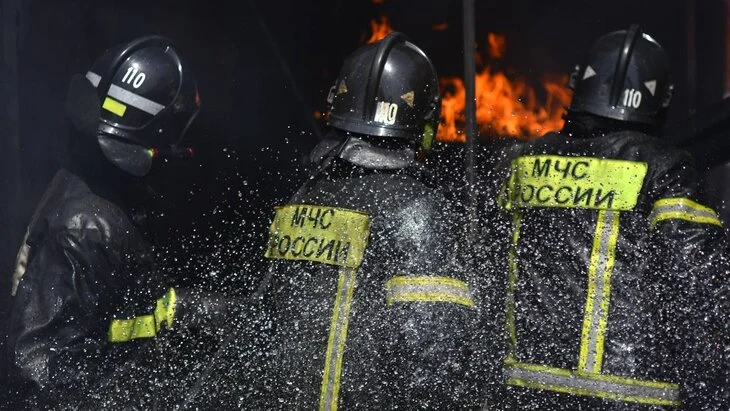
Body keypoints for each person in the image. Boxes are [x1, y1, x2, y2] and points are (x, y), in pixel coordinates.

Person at [483, 24, 730, 410]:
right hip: (631, 397)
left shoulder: (520, 162)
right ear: (660, 101)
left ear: (578, 84)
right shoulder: (663, 168)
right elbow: (701, 278)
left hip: (524, 392)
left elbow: (487, 270)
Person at [238, 32, 484, 410]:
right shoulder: (415, 209)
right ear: (424, 123)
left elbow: (265, 323)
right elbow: (435, 352)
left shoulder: (303, 197)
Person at [6, 35, 241, 409]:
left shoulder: (96, 192)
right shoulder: (85, 228)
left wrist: (198, 309)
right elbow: (37, 371)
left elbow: (119, 311)